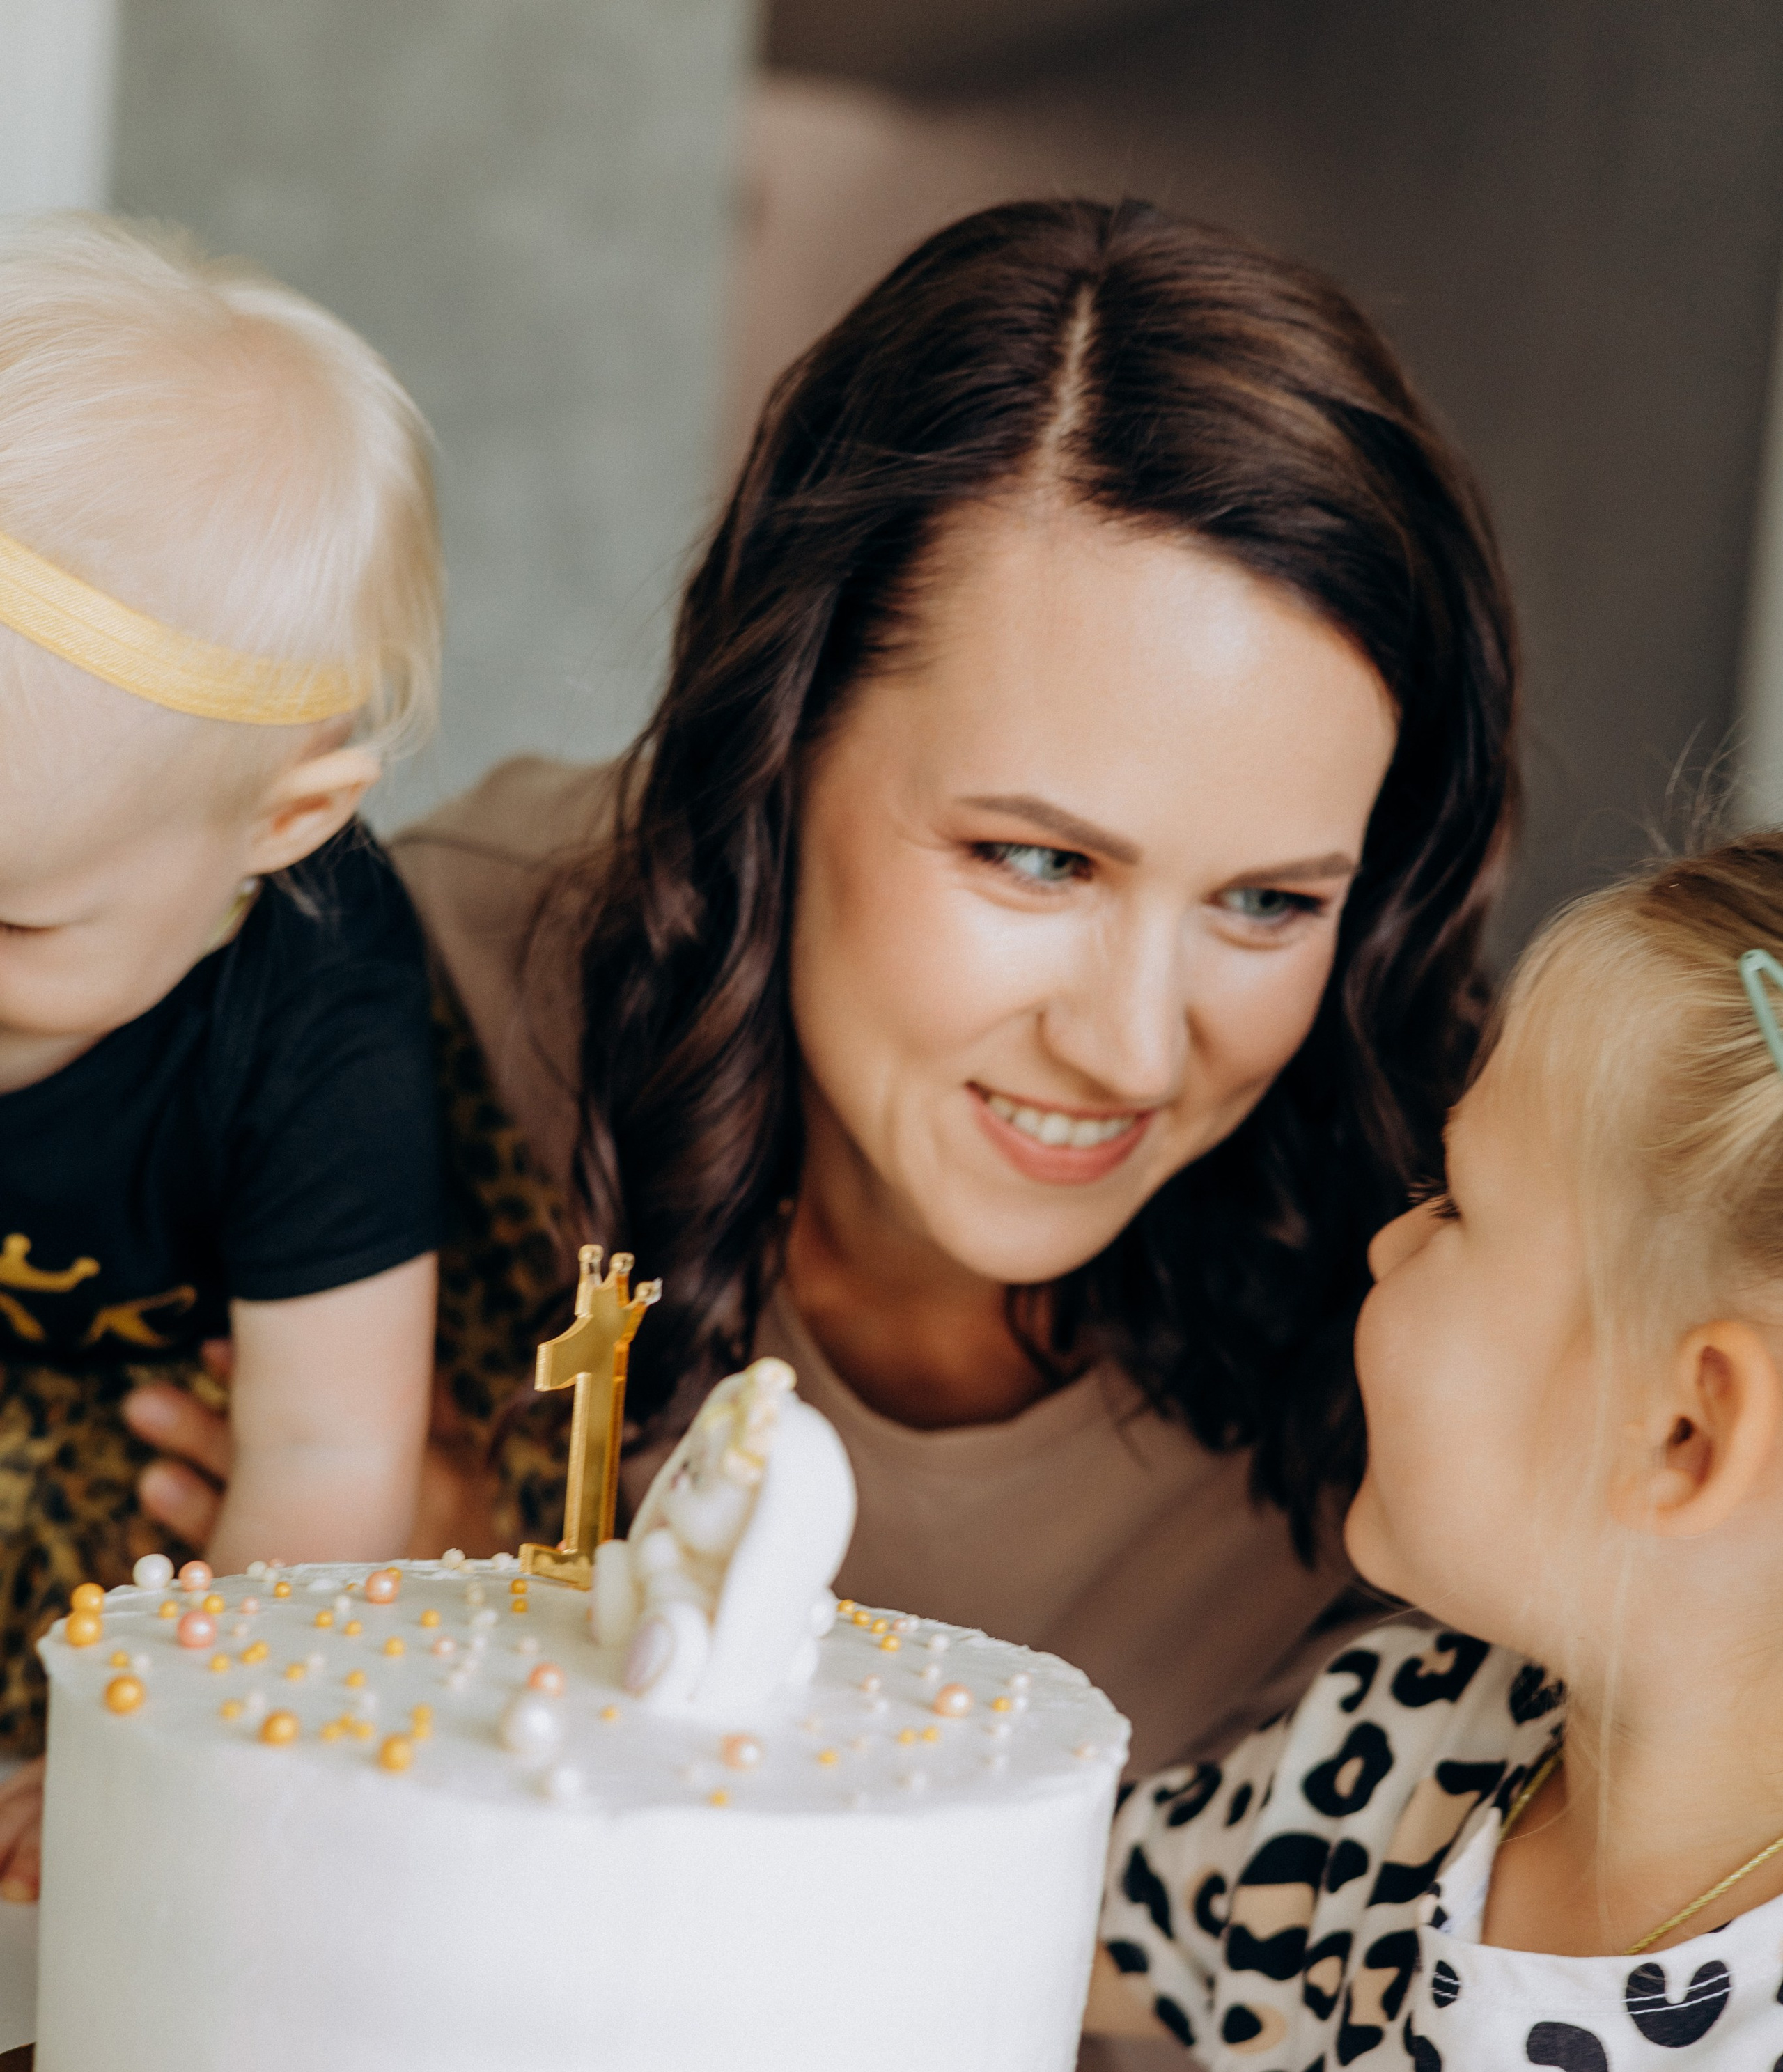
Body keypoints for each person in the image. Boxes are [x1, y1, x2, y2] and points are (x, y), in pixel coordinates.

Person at [116, 197, 1516, 1981]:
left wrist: (507, 1610)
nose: (1132, 1049)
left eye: (1266, 903)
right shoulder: (406, 1004)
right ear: (775, 746)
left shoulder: (1456, 1284)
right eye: (1035, 861)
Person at [1100, 833, 1783, 2072]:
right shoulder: (1380, 1751)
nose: (1389, 1238)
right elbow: (1012, 1925)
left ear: (1684, 1437)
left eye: (1458, 1206)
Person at [0, 216, 443, 1888]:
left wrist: (144, 1755)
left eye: (12, 925)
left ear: (282, 821)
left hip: (191, 1454)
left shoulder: (317, 1008)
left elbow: (330, 1461)